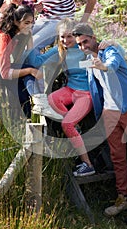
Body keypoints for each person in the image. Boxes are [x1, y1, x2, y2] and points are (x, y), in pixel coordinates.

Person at [72, 23, 127, 216]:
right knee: (117, 156)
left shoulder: (110, 51)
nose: (83, 47)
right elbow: (71, 64)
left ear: (94, 37)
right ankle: (123, 197)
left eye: (86, 42)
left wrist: (104, 65)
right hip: (110, 113)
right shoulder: (88, 59)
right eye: (80, 44)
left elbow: (114, 62)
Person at [27, 18, 96, 176]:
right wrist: (31, 42)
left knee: (67, 124)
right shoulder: (61, 50)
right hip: (70, 89)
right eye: (62, 37)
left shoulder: (83, 47)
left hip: (85, 94)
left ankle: (88, 164)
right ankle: (74, 128)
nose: (65, 40)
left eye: (69, 36)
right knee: (51, 99)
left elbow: (97, 61)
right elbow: (37, 61)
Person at [0, 4, 42, 118]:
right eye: (26, 23)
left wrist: (29, 40)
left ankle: (31, 112)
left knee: (25, 76)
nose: (30, 26)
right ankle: (29, 113)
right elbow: (5, 73)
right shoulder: (3, 37)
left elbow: (29, 60)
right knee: (24, 75)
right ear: (16, 22)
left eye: (32, 23)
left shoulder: (18, 35)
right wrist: (30, 70)